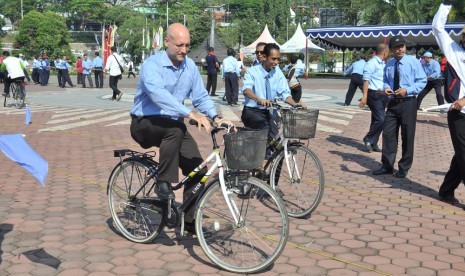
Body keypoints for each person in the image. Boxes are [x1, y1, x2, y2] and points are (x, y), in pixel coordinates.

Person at [129, 23, 233, 233]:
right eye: (179, 45)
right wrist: (189, 113)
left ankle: (188, 220)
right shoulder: (151, 66)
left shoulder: (190, 67)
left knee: (198, 171)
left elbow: (200, 96)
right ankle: (163, 183)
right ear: (167, 42)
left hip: (172, 125)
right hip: (144, 123)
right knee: (176, 129)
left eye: (187, 45)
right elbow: (158, 95)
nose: (184, 50)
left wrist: (215, 116)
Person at [373, 35, 427, 178]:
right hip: (392, 102)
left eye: (402, 46)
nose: (400, 49)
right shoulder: (389, 64)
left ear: (405, 47)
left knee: (407, 135)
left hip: (408, 102)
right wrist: (386, 88)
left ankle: (404, 167)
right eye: (397, 47)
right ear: (391, 49)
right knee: (388, 134)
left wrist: (407, 90)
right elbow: (385, 80)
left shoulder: (414, 62)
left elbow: (422, 81)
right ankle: (387, 165)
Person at [241, 43, 301, 159]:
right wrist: (259, 99)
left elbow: (284, 93)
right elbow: (246, 90)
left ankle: (272, 173)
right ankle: (258, 164)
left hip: (269, 112)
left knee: (276, 144)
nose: (276, 62)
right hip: (252, 111)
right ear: (264, 57)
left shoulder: (277, 72)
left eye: (278, 59)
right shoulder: (252, 71)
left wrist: (295, 104)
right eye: (273, 59)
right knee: (265, 130)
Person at [433, 0, 465, 203]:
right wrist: (447, 4)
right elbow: (437, 28)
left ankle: (446, 190)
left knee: (461, 155)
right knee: (464, 154)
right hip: (458, 114)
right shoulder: (454, 51)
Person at [359, 43, 390, 153]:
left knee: (377, 119)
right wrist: (365, 97)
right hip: (374, 94)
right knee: (381, 119)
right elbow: (366, 81)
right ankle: (368, 138)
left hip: (382, 95)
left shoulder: (383, 63)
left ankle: (373, 142)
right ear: (385, 52)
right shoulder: (371, 63)